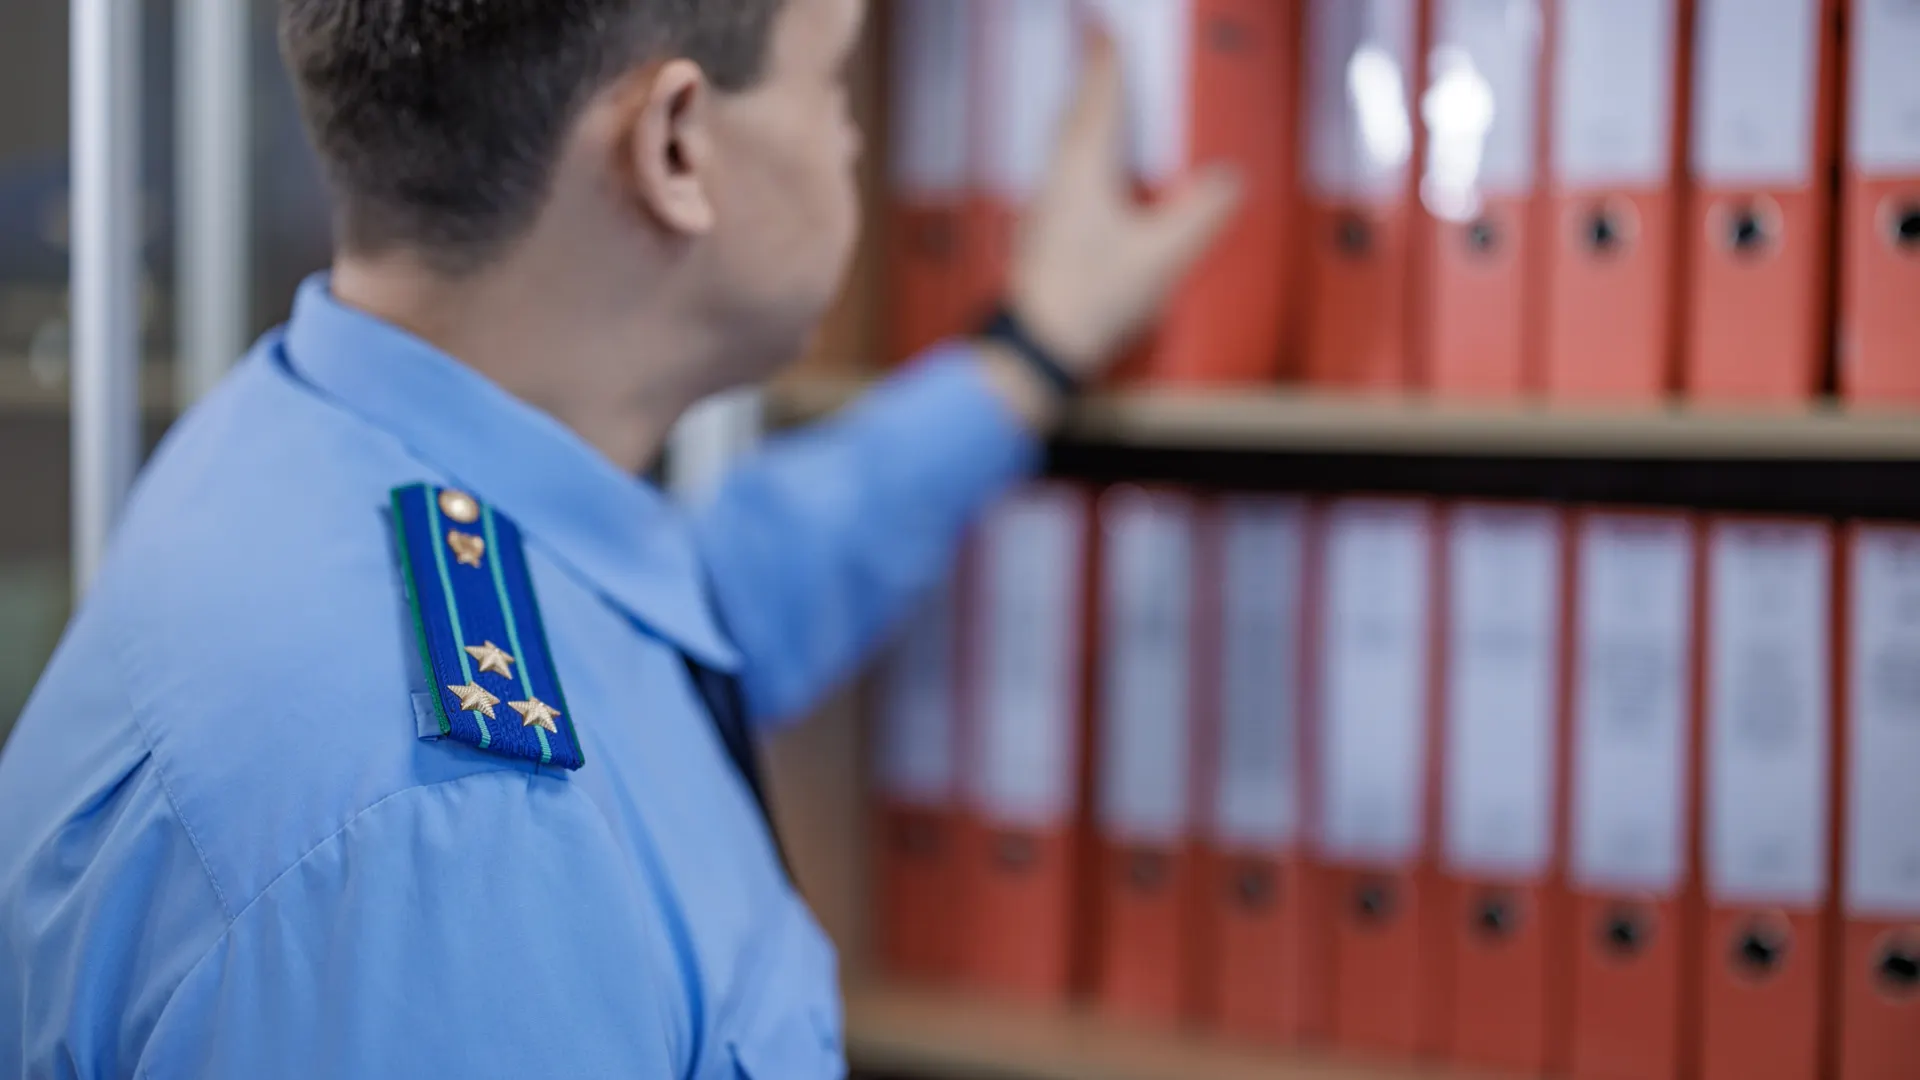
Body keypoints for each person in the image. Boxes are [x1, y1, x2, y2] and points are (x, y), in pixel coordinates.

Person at [0, 0, 1239, 1075]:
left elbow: (687, 611)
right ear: (675, 145)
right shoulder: (456, 847)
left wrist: (1029, 352)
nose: (853, 137)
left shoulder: (317, 442)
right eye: (830, 84)